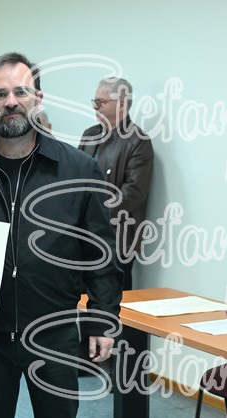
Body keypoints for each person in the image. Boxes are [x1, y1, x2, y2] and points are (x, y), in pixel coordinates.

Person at [0, 52, 123, 418]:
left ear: (39, 98)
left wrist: (103, 320)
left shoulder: (79, 170)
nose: (11, 101)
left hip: (54, 334)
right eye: (0, 94)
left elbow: (101, 255)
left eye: (21, 92)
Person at [79, 77, 154, 290]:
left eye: (101, 102)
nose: (95, 107)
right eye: (94, 101)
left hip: (117, 242)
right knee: (80, 301)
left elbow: (132, 192)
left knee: (113, 301)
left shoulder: (138, 141)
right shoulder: (89, 135)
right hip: (84, 237)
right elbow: (75, 178)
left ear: (121, 103)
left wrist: (95, 216)